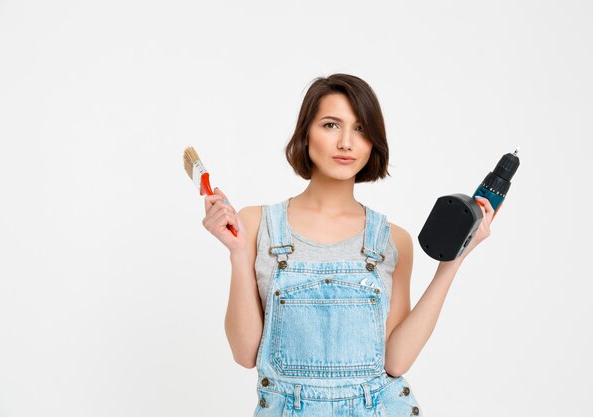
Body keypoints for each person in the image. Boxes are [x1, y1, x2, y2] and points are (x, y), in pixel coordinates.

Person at [201, 73, 494, 416]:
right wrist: (238, 255)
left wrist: (452, 262)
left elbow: (396, 362)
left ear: (373, 143)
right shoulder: (256, 225)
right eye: (330, 125)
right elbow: (245, 352)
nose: (346, 143)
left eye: (360, 129)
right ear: (306, 133)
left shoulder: (391, 239)